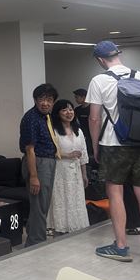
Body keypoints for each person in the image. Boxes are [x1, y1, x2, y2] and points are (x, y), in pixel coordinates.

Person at [87, 41, 140, 262]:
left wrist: (95, 146)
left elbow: (94, 118)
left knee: (115, 192)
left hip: (113, 144)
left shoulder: (99, 80)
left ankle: (120, 246)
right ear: (118, 54)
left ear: (100, 60)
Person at [18, 83, 59, 247]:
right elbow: (30, 149)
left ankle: (33, 236)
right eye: (42, 99)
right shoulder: (31, 118)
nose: (45, 103)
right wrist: (34, 176)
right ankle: (36, 243)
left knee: (42, 205)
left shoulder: (46, 117)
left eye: (49, 100)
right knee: (39, 206)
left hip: (47, 161)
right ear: (35, 100)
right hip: (38, 163)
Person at [46, 100, 90, 235]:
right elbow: (50, 151)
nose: (68, 112)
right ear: (58, 113)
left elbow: (83, 154)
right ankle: (60, 228)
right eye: (64, 110)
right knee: (61, 198)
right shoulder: (53, 131)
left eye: (70, 109)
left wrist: (84, 174)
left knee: (75, 198)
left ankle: (76, 226)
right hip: (60, 170)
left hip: (76, 171)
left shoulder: (79, 131)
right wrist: (67, 155)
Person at [73, 88, 93, 157]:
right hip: (80, 134)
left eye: (77, 97)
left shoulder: (92, 109)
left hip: (91, 134)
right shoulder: (77, 110)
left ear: (84, 97)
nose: (75, 99)